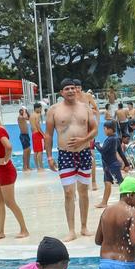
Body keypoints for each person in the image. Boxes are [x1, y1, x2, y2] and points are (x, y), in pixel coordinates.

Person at [43, 79, 97, 240]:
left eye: (73, 88)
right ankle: (71, 230)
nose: (71, 91)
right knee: (68, 192)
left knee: (84, 191)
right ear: (61, 92)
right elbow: (48, 135)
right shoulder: (54, 110)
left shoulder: (85, 108)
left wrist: (83, 140)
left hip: (84, 152)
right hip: (65, 154)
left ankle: (84, 227)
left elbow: (94, 129)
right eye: (67, 88)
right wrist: (49, 156)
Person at [0, 104, 29, 241]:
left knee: (10, 202)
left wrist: (5, 160)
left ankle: (24, 229)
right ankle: (0, 231)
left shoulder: (0, 131)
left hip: (5, 172)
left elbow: (9, 146)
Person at [96, 120, 127, 208]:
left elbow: (102, 150)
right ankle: (104, 202)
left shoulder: (111, 139)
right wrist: (127, 164)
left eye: (105, 129)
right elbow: (120, 152)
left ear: (110, 129)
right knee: (107, 183)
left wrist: (96, 144)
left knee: (121, 183)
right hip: (108, 166)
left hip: (112, 166)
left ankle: (125, 200)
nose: (104, 131)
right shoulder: (115, 138)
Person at [16, 105, 34, 171]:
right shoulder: (20, 117)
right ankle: (24, 167)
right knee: (25, 151)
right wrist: (24, 110)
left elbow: (29, 118)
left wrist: (26, 111)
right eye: (22, 111)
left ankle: (28, 166)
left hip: (26, 135)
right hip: (23, 136)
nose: (23, 111)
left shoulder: (24, 117)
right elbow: (25, 117)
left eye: (23, 111)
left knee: (29, 150)